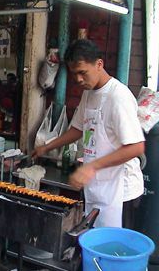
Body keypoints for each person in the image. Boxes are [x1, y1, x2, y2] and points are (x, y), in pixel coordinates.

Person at [32, 39, 145, 229]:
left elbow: (136, 147)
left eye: (82, 72)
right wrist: (48, 146)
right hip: (98, 186)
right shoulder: (89, 93)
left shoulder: (118, 97)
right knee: (95, 244)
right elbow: (78, 129)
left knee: (113, 250)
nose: (78, 80)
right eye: (74, 74)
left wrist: (91, 168)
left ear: (99, 64)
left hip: (121, 192)